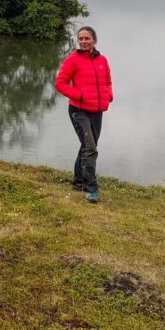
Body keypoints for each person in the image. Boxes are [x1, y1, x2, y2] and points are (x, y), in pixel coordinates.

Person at [55, 25, 113, 204]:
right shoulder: (72, 60)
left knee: (87, 146)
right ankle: (91, 188)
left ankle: (78, 182)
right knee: (90, 148)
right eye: (80, 38)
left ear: (94, 40)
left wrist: (109, 96)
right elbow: (60, 83)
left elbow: (108, 81)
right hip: (79, 111)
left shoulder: (102, 60)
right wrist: (79, 96)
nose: (83, 41)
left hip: (97, 111)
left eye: (87, 38)